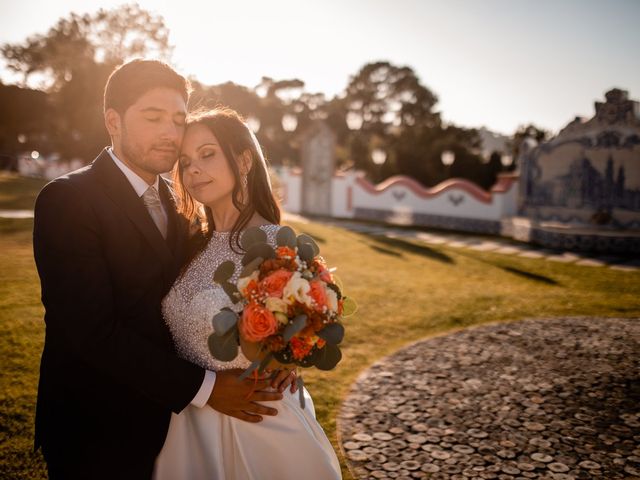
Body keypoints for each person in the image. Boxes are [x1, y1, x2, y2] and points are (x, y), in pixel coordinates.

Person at [32, 59, 291, 480]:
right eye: (153, 117)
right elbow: (91, 331)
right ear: (112, 121)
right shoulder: (68, 200)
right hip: (96, 425)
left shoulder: (185, 200)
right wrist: (206, 389)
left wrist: (285, 347)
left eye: (177, 119)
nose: (171, 132)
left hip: (174, 425)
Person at [153, 107, 342, 479]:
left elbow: (309, 326)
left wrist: (290, 357)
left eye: (207, 154)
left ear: (243, 160)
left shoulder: (278, 249)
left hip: (259, 426)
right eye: (186, 161)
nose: (192, 169)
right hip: (186, 424)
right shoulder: (188, 244)